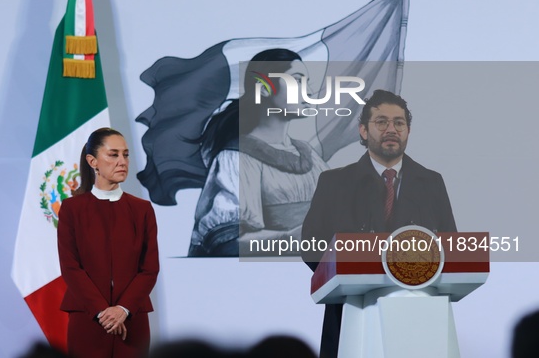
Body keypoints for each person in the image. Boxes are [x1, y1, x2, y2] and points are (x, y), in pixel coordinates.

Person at [302, 90, 457, 358]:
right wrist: (353, 269)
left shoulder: (431, 182)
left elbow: (451, 247)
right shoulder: (335, 182)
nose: (391, 129)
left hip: (420, 313)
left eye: (399, 123)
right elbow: (311, 246)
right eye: (381, 122)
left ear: (408, 130)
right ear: (363, 130)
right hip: (352, 308)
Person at [188, 48, 328, 256]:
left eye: (307, 83)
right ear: (263, 88)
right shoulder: (237, 158)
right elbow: (226, 241)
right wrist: (294, 239)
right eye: (297, 81)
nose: (307, 92)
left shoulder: (310, 157)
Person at [57, 128, 159, 358]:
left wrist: (123, 310)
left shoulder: (142, 210)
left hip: (132, 320)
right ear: (92, 161)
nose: (122, 161)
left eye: (126, 155)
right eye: (113, 155)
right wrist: (103, 312)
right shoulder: (72, 209)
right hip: (88, 318)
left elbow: (149, 269)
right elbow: (71, 268)